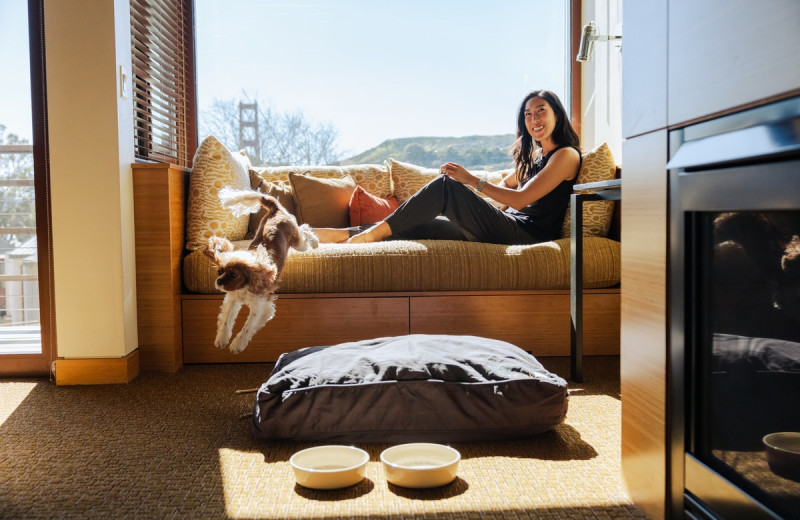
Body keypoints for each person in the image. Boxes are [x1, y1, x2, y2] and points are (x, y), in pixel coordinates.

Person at [314, 89, 582, 245]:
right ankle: (339, 235)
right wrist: (492, 211)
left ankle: (371, 234)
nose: (534, 119)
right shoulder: (536, 157)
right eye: (528, 115)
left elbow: (522, 199)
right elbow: (509, 184)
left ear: (557, 113)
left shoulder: (566, 155)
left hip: (527, 235)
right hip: (508, 225)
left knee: (446, 186)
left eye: (541, 111)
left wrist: (470, 180)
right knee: (420, 222)